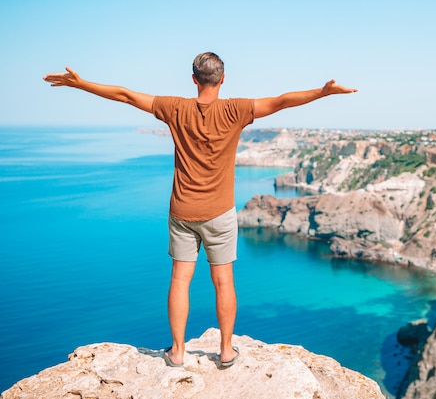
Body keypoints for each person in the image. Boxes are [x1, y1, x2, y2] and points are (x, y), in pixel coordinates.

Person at [43, 52, 357, 368]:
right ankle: (225, 351)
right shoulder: (236, 109)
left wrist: (81, 84)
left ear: (194, 79)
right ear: (223, 79)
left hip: (182, 210)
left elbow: (125, 95)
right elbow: (281, 101)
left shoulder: (174, 108)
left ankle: (177, 352)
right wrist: (323, 92)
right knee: (223, 281)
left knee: (180, 280)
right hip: (220, 212)